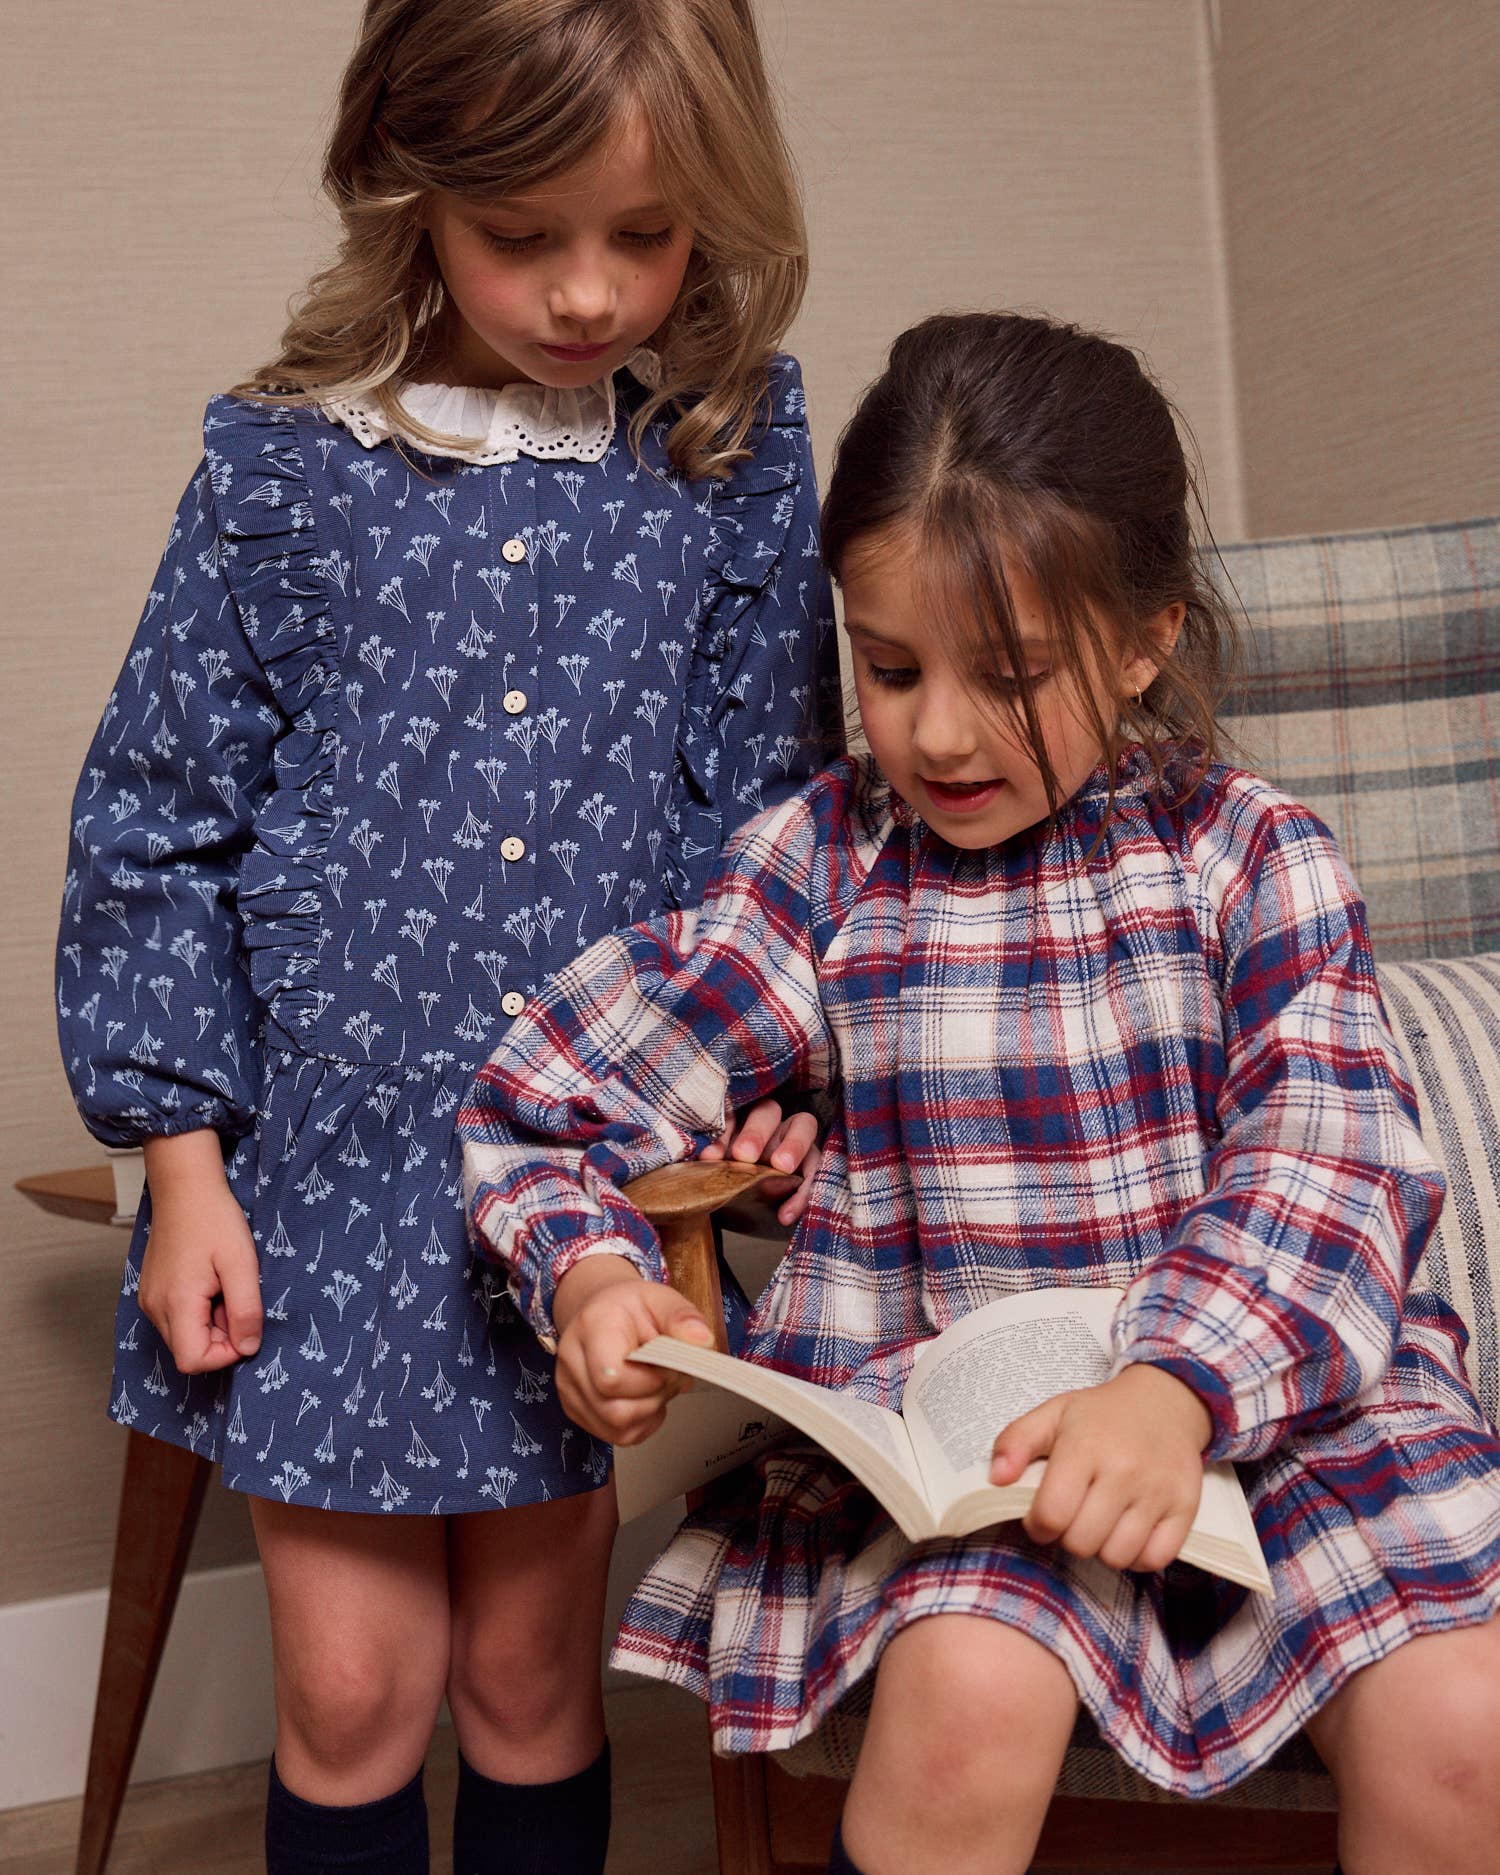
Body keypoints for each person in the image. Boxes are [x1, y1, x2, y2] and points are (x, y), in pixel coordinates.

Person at [459, 312, 1500, 1875]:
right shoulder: (822, 868)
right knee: (963, 1701)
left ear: (1144, 641)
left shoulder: (1249, 853)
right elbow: (550, 1092)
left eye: (1007, 679)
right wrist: (593, 1274)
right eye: (888, 668)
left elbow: (1329, 1161)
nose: (935, 732)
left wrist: (1176, 1390)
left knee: (1467, 1726)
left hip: (1271, 1419)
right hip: (977, 1471)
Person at [55, 5, 842, 1870]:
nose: (588, 293)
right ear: (408, 192)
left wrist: (765, 1083)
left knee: (528, 1678)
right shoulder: (282, 467)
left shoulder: (718, 458)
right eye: (522, 236)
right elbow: (155, 821)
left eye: (645, 236)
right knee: (351, 1694)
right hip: (325, 1178)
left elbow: (770, 821)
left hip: (577, 1185)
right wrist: (184, 1171)